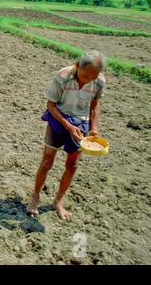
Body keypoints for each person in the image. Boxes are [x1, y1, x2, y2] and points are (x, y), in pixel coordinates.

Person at [26, 50, 106, 220]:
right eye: (84, 76)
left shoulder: (98, 81)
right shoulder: (62, 77)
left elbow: (94, 104)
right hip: (59, 119)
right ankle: (35, 197)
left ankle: (58, 201)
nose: (87, 81)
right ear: (77, 66)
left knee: (72, 165)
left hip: (81, 123)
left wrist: (94, 128)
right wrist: (68, 126)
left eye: (92, 77)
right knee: (47, 162)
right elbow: (51, 105)